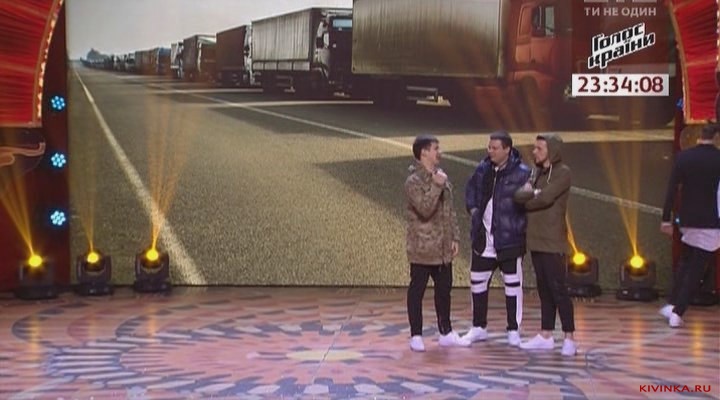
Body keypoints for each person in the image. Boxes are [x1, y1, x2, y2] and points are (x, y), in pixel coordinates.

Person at [462, 131, 530, 347]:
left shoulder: (523, 173)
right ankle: (478, 327)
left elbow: (529, 203)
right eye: (489, 147)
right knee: (477, 283)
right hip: (484, 239)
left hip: (510, 239)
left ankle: (513, 330)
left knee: (513, 285)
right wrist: (474, 211)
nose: (489, 151)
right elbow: (471, 191)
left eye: (494, 148)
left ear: (507, 149)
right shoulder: (482, 169)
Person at [513, 133, 577, 356]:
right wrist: (531, 195)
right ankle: (546, 334)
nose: (534, 152)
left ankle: (569, 337)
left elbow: (545, 198)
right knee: (544, 289)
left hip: (553, 241)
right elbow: (518, 196)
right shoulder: (536, 172)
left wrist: (530, 197)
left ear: (552, 150)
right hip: (536, 239)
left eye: (539, 148)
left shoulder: (563, 173)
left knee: (558, 289)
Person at [405, 134, 470, 351]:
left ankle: (446, 332)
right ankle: (416, 335)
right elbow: (425, 209)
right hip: (422, 247)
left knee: (444, 291)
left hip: (443, 248)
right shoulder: (414, 181)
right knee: (417, 291)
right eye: (435, 148)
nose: (439, 152)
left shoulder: (440, 176)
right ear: (424, 152)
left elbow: (449, 211)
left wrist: (455, 237)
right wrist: (435, 186)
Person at [659, 123, 720, 328]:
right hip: (711, 221)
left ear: (699, 136)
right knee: (696, 268)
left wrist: (665, 219)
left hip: (687, 220)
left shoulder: (684, 157)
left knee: (686, 262)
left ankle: (672, 303)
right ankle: (678, 311)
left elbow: (671, 190)